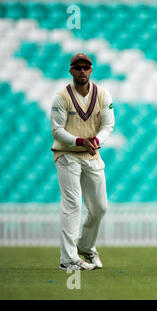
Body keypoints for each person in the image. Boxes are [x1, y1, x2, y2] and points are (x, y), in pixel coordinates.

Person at [51, 53, 115, 270]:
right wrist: (79, 141)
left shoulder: (103, 94)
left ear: (91, 70)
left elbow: (108, 125)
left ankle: (86, 248)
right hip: (67, 154)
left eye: (85, 68)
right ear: (71, 71)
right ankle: (68, 259)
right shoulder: (62, 97)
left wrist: (96, 141)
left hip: (92, 153)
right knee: (73, 203)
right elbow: (57, 130)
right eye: (78, 68)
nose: (82, 71)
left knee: (100, 207)